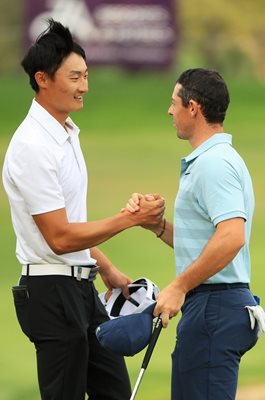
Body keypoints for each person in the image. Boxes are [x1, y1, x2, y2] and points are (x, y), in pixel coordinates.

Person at [2, 19, 165, 400]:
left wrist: (105, 267)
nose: (85, 87)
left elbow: (70, 225)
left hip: (80, 287)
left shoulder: (65, 133)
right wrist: (130, 220)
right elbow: (58, 238)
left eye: (86, 75)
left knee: (115, 391)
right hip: (50, 292)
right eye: (75, 77)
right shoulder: (32, 146)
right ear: (43, 79)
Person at [125, 68, 259, 400]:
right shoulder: (210, 161)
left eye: (174, 103)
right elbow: (208, 241)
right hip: (214, 306)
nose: (170, 111)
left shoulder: (214, 163)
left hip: (214, 306)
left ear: (193, 107)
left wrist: (179, 285)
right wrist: (156, 225)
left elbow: (231, 236)